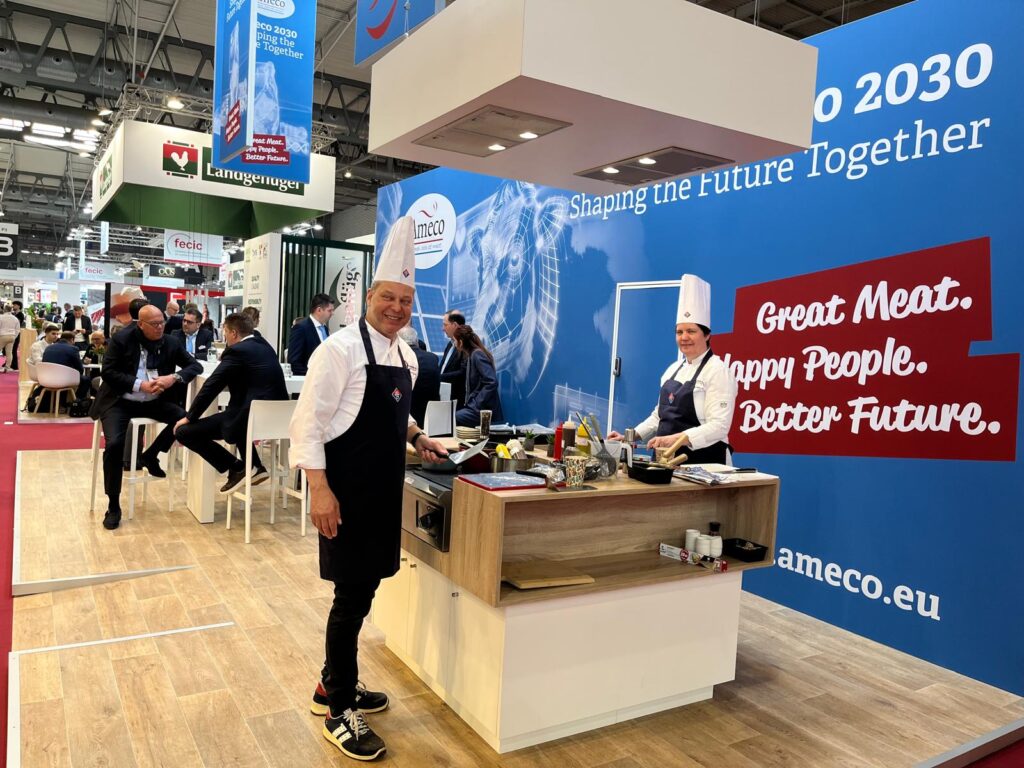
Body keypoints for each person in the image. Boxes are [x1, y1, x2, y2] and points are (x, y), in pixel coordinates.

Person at [289, 217, 448, 761]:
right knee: (349, 599)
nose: (396, 308)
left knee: (365, 592)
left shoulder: (406, 356)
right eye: (388, 297)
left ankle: (331, 683)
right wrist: (320, 490)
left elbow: (392, 415)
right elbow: (308, 427)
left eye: (405, 300)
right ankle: (339, 710)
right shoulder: (336, 351)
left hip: (383, 493)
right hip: (346, 495)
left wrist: (418, 435)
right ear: (368, 298)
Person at [90, 304, 202, 530]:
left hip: (153, 402)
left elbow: (195, 366)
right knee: (114, 444)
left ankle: (150, 455)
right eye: (154, 324)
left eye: (162, 322)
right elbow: (108, 372)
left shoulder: (170, 342)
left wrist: (173, 378)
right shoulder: (122, 340)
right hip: (119, 401)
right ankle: (113, 505)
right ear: (140, 324)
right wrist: (139, 384)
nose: (160, 327)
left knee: (184, 419)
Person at [608, 274, 737, 465]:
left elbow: (719, 426)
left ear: (707, 335)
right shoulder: (672, 370)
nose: (684, 337)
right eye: (679, 332)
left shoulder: (718, 371)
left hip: (705, 464)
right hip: (665, 462)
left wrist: (675, 439)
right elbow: (658, 416)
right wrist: (631, 436)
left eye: (691, 331)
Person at [174, 313, 288, 493]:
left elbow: (212, 385)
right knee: (238, 412)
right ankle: (255, 466)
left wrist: (189, 416)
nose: (225, 337)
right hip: (276, 421)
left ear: (233, 333)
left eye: (225, 332)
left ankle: (236, 467)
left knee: (183, 432)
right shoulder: (265, 346)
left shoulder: (237, 351)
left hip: (249, 420)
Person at [453, 325, 503, 427]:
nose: (454, 343)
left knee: (455, 417)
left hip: (483, 409)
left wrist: (477, 403)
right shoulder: (471, 355)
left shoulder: (477, 355)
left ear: (460, 342)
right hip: (478, 408)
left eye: (454, 340)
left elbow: (492, 382)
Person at [397, 325, 440, 427]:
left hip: (407, 416)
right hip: (433, 415)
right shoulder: (433, 358)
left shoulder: (398, 357)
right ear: (416, 341)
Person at [288, 293, 334, 375]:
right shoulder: (301, 328)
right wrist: (312, 376)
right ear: (319, 310)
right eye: (329, 310)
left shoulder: (325, 329)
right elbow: (294, 361)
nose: (332, 313)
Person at [41, 331, 92, 400]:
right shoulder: (73, 349)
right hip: (63, 379)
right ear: (72, 339)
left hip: (46, 378)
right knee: (86, 380)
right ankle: (76, 402)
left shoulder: (49, 347)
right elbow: (80, 369)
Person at [438, 310, 466, 406]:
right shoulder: (450, 344)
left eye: (445, 325)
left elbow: (463, 373)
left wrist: (439, 377)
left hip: (457, 402)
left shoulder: (465, 346)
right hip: (444, 397)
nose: (443, 329)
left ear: (454, 325)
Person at [0, 304, 19, 373]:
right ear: (11, 310)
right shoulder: (15, 318)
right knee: (9, 352)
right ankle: (7, 367)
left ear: (4, 309)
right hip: (12, 336)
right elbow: (17, 329)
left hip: (3, 335)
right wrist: (14, 336)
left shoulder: (1, 317)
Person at [9, 300, 25, 370]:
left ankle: (14, 365)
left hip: (17, 333)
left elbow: (17, 323)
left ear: (18, 306)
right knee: (10, 349)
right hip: (12, 333)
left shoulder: (20, 314)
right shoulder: (13, 314)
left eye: (14, 305)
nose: (13, 306)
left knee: (14, 349)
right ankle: (10, 363)